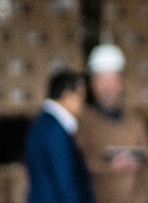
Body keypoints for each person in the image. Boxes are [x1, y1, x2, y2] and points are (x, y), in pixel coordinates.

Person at [75, 43, 148, 203]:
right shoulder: (83, 124)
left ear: (122, 82)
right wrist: (110, 168)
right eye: (103, 81)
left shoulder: (136, 124)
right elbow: (75, 169)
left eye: (113, 80)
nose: (109, 88)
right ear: (93, 84)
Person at [25, 70, 95, 203]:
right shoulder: (55, 130)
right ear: (67, 96)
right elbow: (65, 181)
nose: (82, 104)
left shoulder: (42, 123)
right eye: (81, 97)